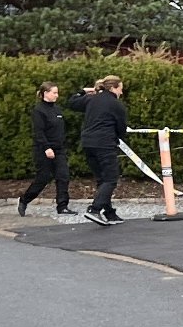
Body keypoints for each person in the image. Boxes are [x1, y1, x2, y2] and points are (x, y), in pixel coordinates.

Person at [66, 75, 127, 225]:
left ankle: (110, 213)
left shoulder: (91, 99)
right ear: (113, 88)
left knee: (102, 180)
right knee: (111, 179)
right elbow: (121, 128)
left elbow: (71, 102)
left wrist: (83, 91)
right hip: (105, 144)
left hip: (88, 143)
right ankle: (94, 209)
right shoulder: (116, 105)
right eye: (120, 89)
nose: (121, 92)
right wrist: (117, 139)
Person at [16, 82, 72, 217]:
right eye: (54, 93)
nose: (57, 95)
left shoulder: (57, 109)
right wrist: (47, 147)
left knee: (63, 176)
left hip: (59, 149)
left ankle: (62, 206)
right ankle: (24, 200)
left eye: (57, 93)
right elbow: (39, 132)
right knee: (43, 178)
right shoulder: (39, 110)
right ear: (45, 93)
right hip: (44, 149)